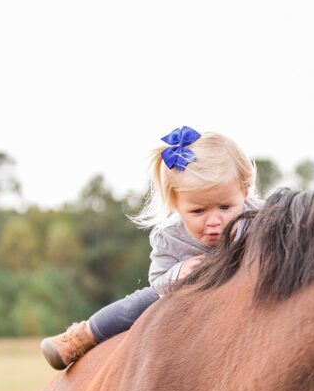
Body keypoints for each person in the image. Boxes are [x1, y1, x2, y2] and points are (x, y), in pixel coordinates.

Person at [41, 126, 262, 370]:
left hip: (242, 284)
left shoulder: (260, 217)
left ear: (244, 192)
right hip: (186, 292)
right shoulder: (169, 236)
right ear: (175, 204)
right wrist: (178, 273)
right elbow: (157, 279)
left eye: (225, 207)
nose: (213, 221)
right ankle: (81, 337)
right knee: (141, 302)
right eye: (198, 211)